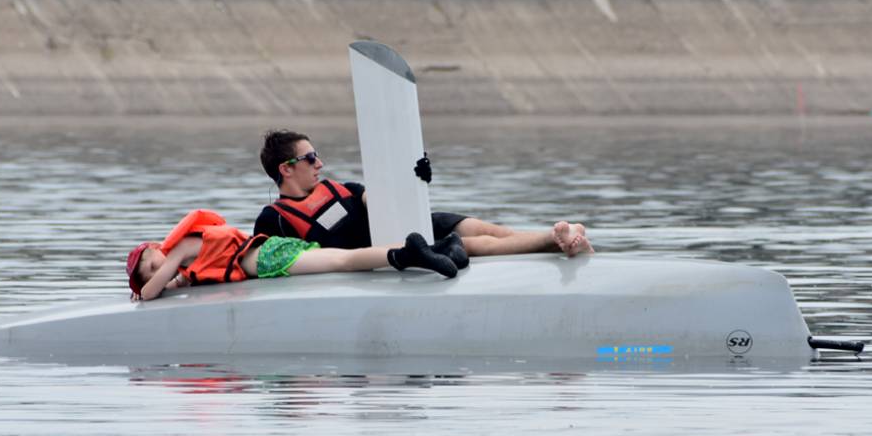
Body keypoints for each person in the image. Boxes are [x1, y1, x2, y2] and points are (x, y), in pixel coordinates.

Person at [252, 129, 593, 260]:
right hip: (398, 247)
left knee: (482, 228)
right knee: (475, 244)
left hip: (413, 223)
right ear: (286, 169)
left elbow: (384, 200)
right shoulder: (274, 219)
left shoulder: (344, 189)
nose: (320, 163)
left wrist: (414, 178)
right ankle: (554, 239)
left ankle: (559, 239)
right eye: (310, 157)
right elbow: (270, 265)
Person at [127, 208, 458, 301]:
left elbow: (153, 291)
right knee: (342, 258)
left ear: (157, 248)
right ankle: (430, 250)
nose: (159, 270)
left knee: (343, 261)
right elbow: (177, 283)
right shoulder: (187, 266)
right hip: (273, 252)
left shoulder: (180, 249)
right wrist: (162, 284)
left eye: (153, 264)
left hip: (269, 258)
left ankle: (409, 255)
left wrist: (143, 290)